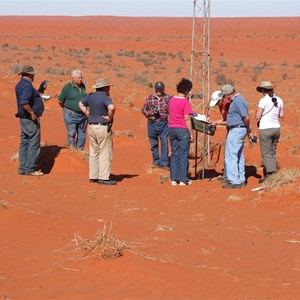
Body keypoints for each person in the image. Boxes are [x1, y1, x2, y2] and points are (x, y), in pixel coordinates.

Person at [79, 78, 117, 185]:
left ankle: (93, 176)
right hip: (102, 127)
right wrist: (109, 117)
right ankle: (104, 178)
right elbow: (112, 107)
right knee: (105, 152)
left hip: (91, 126)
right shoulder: (105, 97)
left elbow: (80, 104)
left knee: (93, 152)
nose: (109, 89)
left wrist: (88, 114)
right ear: (104, 88)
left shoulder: (90, 96)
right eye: (108, 87)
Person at [219, 84, 252, 188]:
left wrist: (248, 129)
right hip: (237, 129)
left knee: (231, 155)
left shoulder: (238, 101)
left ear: (229, 94)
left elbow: (246, 117)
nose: (224, 97)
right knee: (238, 155)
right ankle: (240, 179)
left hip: (236, 130)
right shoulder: (236, 101)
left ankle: (234, 181)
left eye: (225, 95)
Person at [15, 65, 45, 176]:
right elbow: (24, 101)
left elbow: (28, 98)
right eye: (32, 74)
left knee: (24, 142)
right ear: (29, 74)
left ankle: (22, 168)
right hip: (29, 118)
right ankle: (30, 169)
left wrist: (40, 91)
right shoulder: (27, 85)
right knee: (33, 142)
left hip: (23, 118)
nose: (33, 76)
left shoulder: (20, 84)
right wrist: (32, 113)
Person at [255, 81, 284, 183]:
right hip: (276, 128)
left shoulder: (263, 100)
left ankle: (271, 177)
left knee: (266, 154)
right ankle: (269, 175)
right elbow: (281, 115)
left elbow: (257, 117)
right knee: (272, 152)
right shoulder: (279, 100)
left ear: (263, 90)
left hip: (265, 129)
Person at [168, 78, 195, 186]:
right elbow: (187, 118)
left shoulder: (171, 100)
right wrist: (191, 134)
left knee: (175, 154)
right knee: (183, 155)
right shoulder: (185, 102)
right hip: (182, 130)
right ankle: (183, 179)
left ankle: (174, 179)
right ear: (187, 90)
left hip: (171, 128)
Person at [141, 82, 171, 169]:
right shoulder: (150, 98)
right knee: (154, 144)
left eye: (160, 89)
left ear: (163, 89)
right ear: (155, 89)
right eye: (157, 88)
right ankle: (157, 162)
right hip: (152, 124)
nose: (159, 90)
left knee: (164, 143)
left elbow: (177, 102)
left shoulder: (168, 98)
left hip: (164, 123)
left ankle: (164, 163)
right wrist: (149, 113)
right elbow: (143, 109)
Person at [58, 69, 87, 150]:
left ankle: (79, 151)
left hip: (82, 115)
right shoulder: (67, 87)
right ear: (73, 78)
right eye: (78, 78)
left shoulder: (83, 86)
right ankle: (72, 151)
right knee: (72, 133)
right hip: (70, 114)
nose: (80, 79)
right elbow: (60, 101)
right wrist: (66, 109)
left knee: (82, 134)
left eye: (81, 78)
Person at [209, 90, 231, 181]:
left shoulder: (228, 105)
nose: (217, 104)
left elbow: (229, 121)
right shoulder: (221, 105)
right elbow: (223, 119)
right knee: (227, 153)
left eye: (217, 102)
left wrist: (216, 123)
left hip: (234, 130)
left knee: (230, 153)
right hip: (229, 130)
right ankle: (226, 174)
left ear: (222, 99)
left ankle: (229, 175)